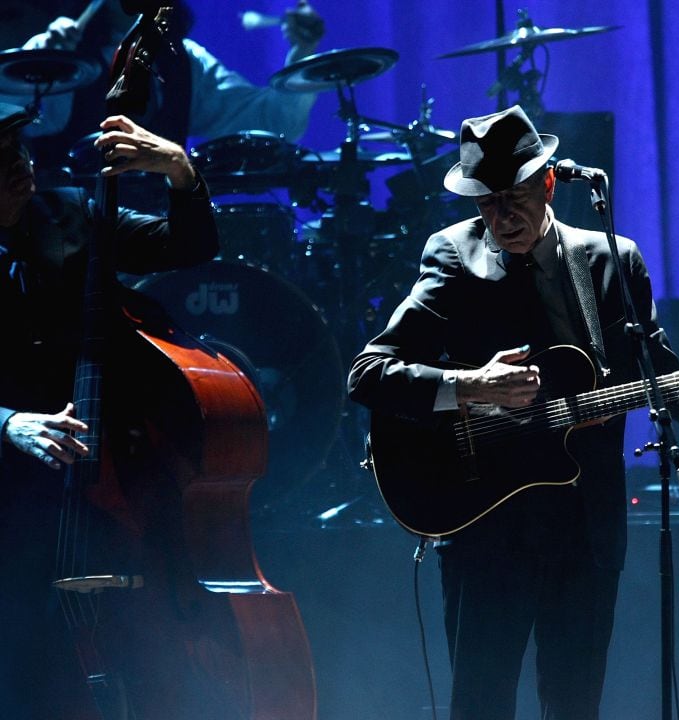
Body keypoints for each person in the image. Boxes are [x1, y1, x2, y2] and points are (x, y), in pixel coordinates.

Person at [348, 105, 679, 719]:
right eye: (486, 202)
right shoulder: (453, 254)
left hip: (586, 527)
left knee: (576, 706)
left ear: (549, 182)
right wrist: (471, 385)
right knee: (480, 705)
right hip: (486, 522)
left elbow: (656, 374)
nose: (500, 217)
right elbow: (370, 373)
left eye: (514, 197)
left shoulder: (612, 258)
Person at [0, 102, 219, 717]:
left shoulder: (72, 211)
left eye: (19, 151)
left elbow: (189, 242)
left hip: (114, 481)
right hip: (14, 500)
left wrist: (179, 169)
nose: (19, 167)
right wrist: (10, 423)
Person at [9, 0, 324, 178]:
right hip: (70, 239)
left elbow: (271, 121)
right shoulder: (61, 50)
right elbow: (16, 120)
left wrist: (303, 53)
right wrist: (45, 64)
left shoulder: (185, 61)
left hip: (157, 242)